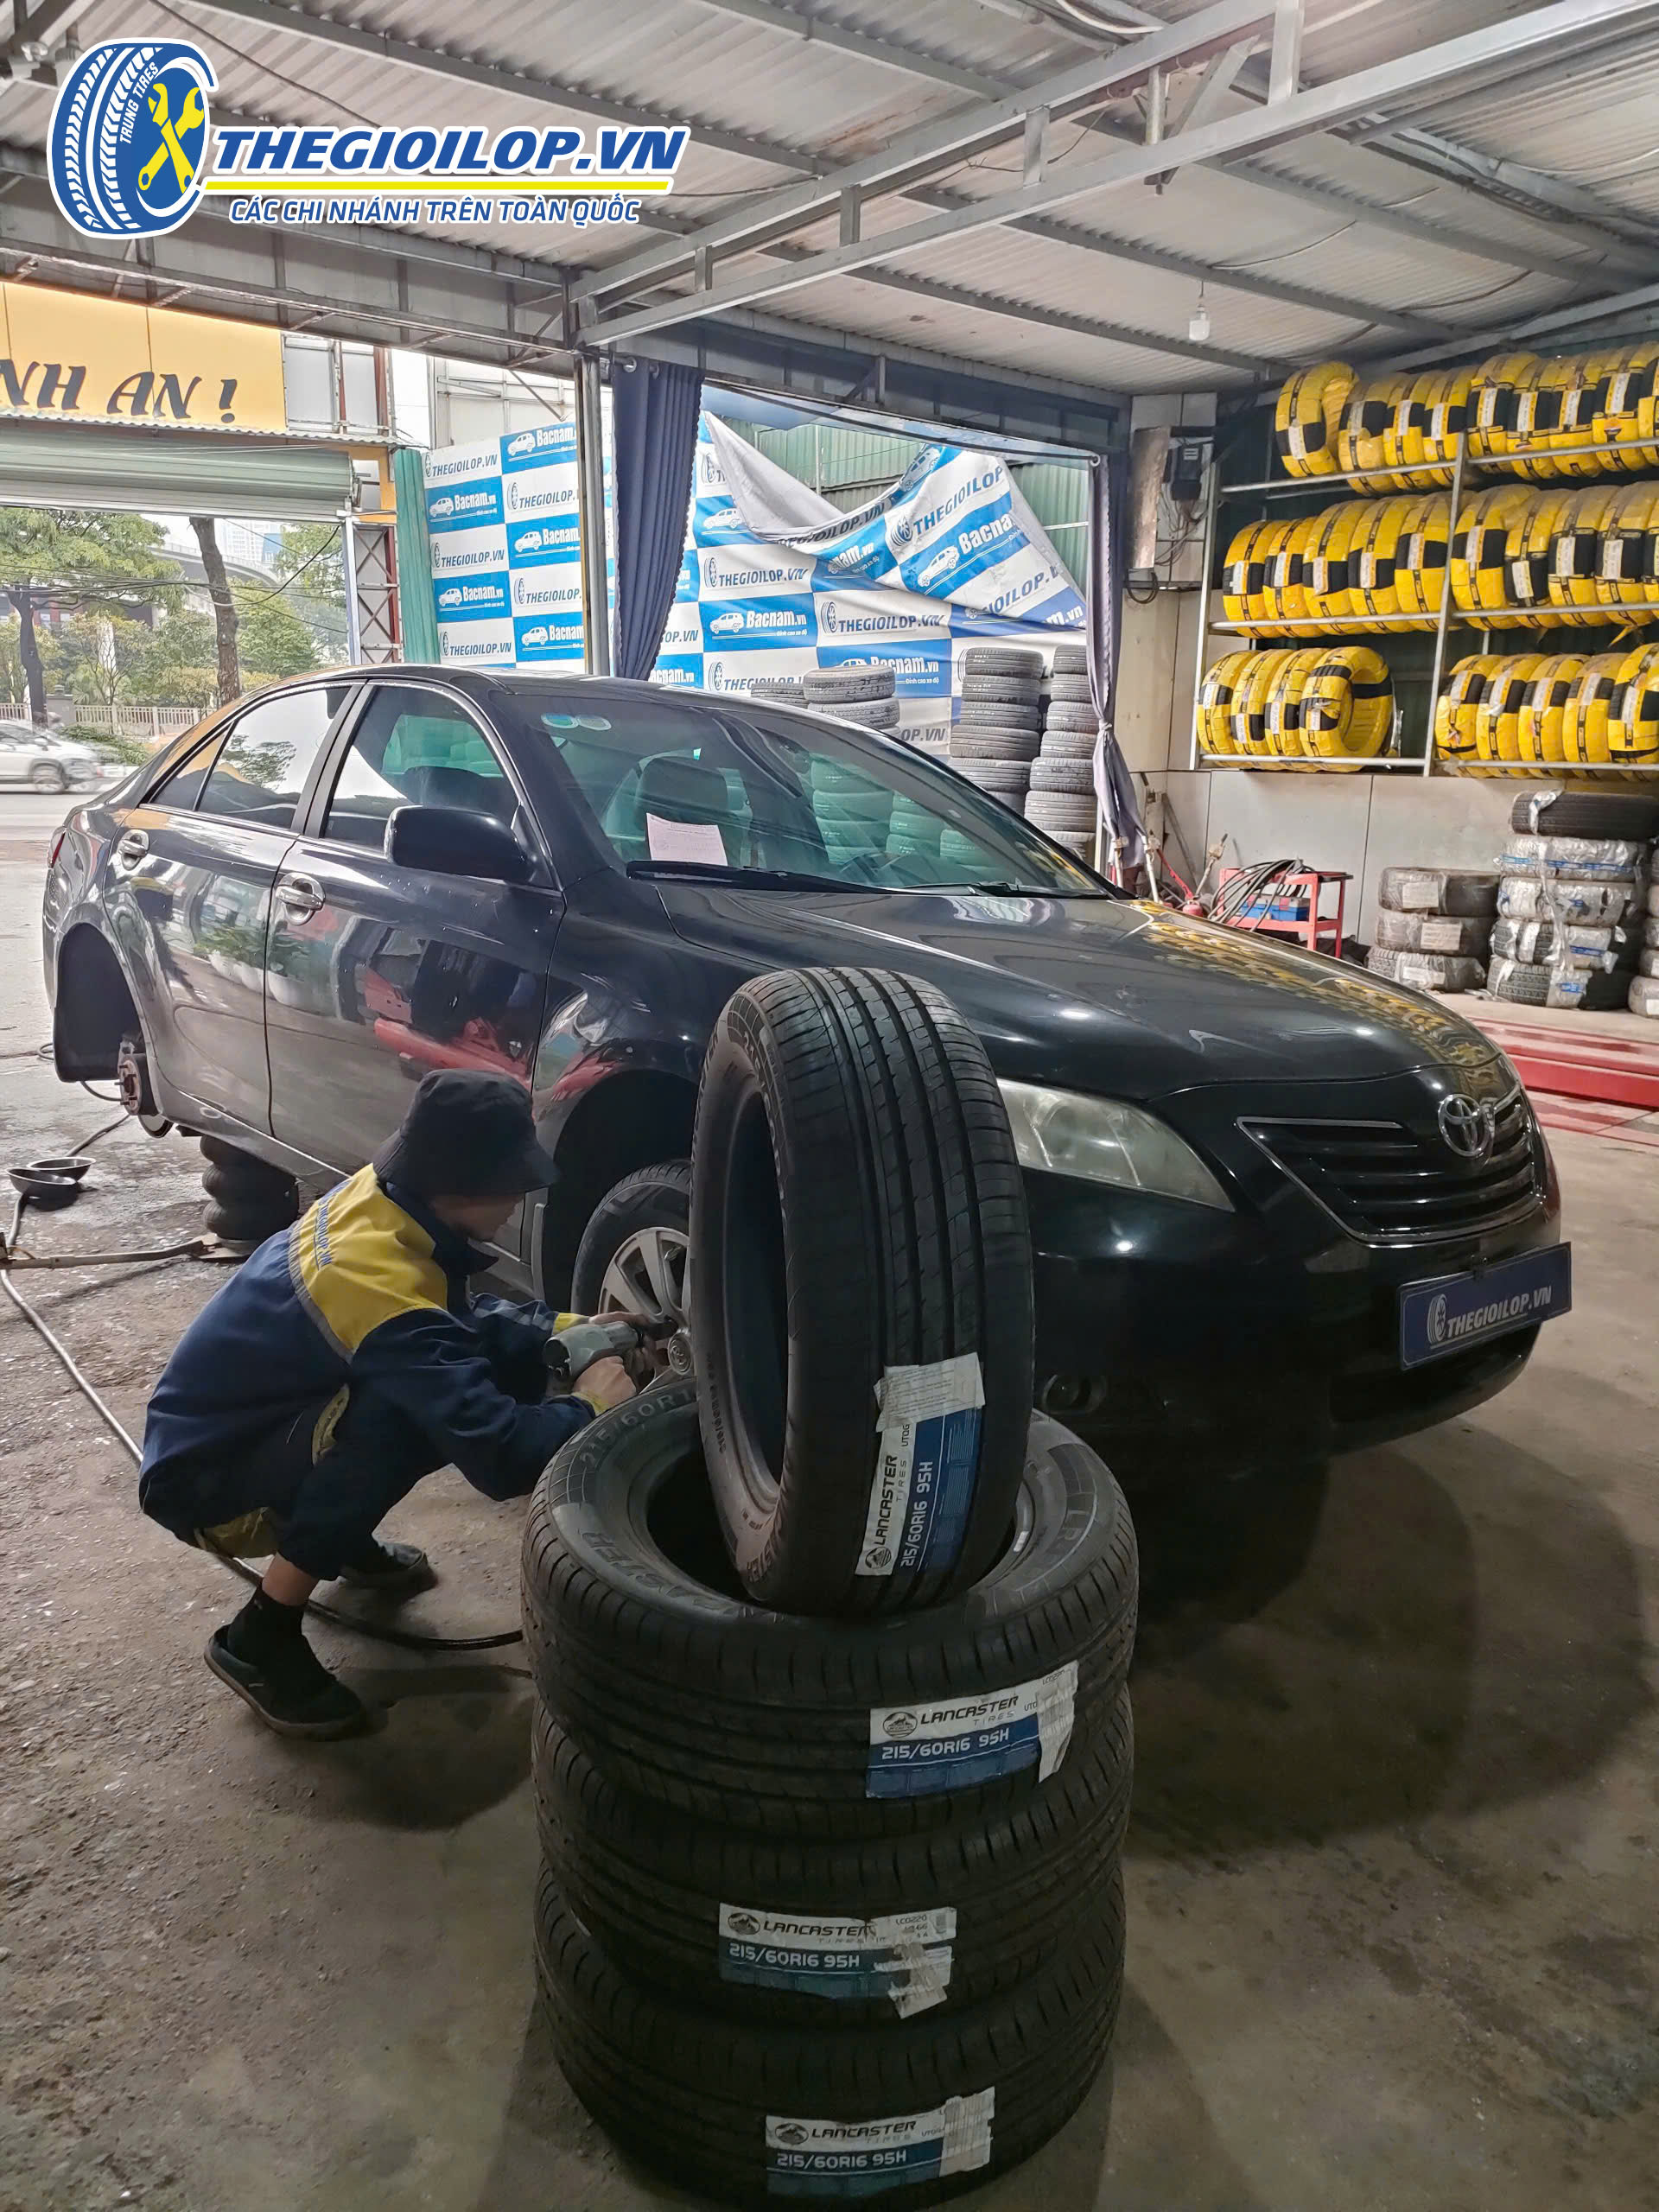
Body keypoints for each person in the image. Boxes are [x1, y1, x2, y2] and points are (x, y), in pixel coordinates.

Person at [138, 1071, 635, 1740]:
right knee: (403, 1419)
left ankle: (336, 1537)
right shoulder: (376, 1287)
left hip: (238, 1423)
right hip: (204, 1483)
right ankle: (260, 1637)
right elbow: (502, 1456)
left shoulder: (382, 1199)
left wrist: (571, 1328)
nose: (519, 1200)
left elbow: (451, 1320)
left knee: (431, 1384)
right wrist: (591, 1406)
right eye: (514, 1184)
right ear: (465, 1188)